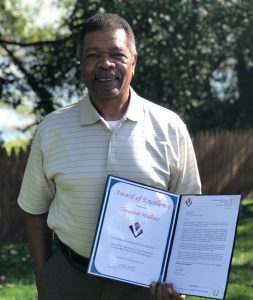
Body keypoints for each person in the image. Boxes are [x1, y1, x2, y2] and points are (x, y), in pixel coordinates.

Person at [18, 12, 201, 300]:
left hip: (146, 286)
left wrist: (180, 280)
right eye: (93, 55)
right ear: (81, 65)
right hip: (70, 278)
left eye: (117, 54)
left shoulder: (169, 126)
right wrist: (46, 278)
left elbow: (190, 213)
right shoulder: (52, 128)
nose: (106, 64)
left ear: (133, 62)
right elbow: (34, 209)